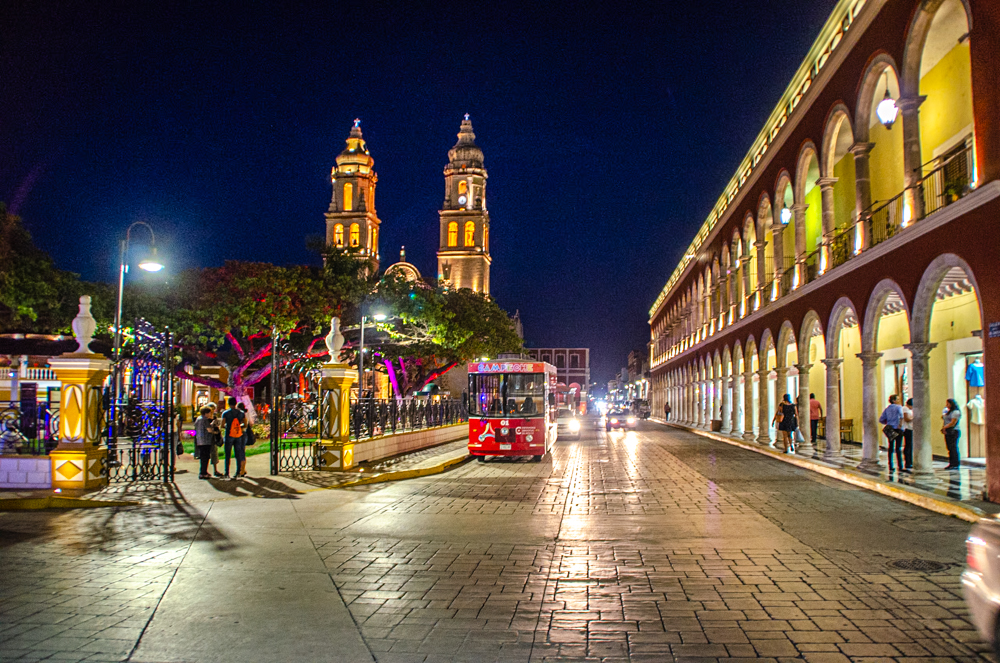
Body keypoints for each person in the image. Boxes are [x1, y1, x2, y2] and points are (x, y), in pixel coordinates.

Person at [221, 397, 248, 479]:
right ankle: (237, 472)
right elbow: (245, 424)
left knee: (227, 454)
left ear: (228, 403)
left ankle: (227, 472)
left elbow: (222, 425)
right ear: (236, 403)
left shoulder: (225, 413)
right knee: (238, 454)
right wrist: (238, 426)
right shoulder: (241, 413)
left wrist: (229, 427)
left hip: (229, 434)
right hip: (238, 435)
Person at [878, 395, 904, 472]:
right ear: (894, 400)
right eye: (898, 399)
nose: (899, 400)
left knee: (891, 447)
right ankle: (900, 465)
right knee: (898, 448)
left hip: (890, 429)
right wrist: (900, 425)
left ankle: (891, 465)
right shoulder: (899, 407)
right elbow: (902, 416)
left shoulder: (887, 409)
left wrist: (888, 422)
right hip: (898, 429)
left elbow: (881, 419)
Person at [194, 406, 214, 479]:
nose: (210, 414)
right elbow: (209, 430)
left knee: (202, 457)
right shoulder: (205, 420)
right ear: (206, 413)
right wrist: (213, 431)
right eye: (209, 413)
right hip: (206, 440)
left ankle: (203, 471)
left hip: (199, 440)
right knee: (205, 457)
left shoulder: (198, 419)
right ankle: (203, 472)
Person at [942, 398, 962, 470]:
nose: (947, 405)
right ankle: (951, 463)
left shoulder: (956, 412)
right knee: (949, 448)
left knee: (953, 447)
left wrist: (945, 427)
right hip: (948, 430)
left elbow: (952, 423)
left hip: (953, 431)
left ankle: (955, 463)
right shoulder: (949, 411)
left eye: (948, 404)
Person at [206, 403, 223, 477]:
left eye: (213, 409)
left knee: (214, 453)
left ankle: (215, 470)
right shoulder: (206, 418)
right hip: (207, 437)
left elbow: (217, 426)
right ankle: (205, 470)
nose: (213, 410)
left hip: (214, 437)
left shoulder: (214, 417)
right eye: (211, 409)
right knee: (206, 454)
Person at [901, 398, 914, 471]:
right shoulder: (905, 408)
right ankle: (908, 462)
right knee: (908, 445)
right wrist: (913, 418)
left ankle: (910, 461)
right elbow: (907, 419)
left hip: (911, 428)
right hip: (907, 428)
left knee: (910, 445)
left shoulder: (910, 410)